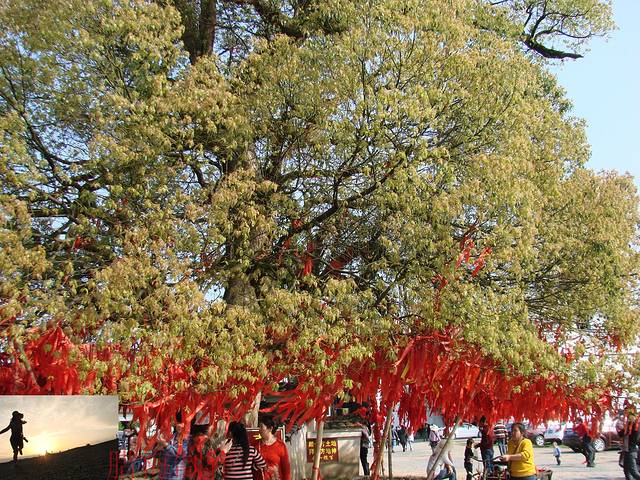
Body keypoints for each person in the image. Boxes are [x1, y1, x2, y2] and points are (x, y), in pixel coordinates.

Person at [621, 408, 640, 480]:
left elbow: (636, 439)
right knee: (626, 470)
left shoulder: (635, 426)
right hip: (626, 450)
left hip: (631, 450)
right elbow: (621, 434)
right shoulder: (628, 425)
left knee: (633, 471)